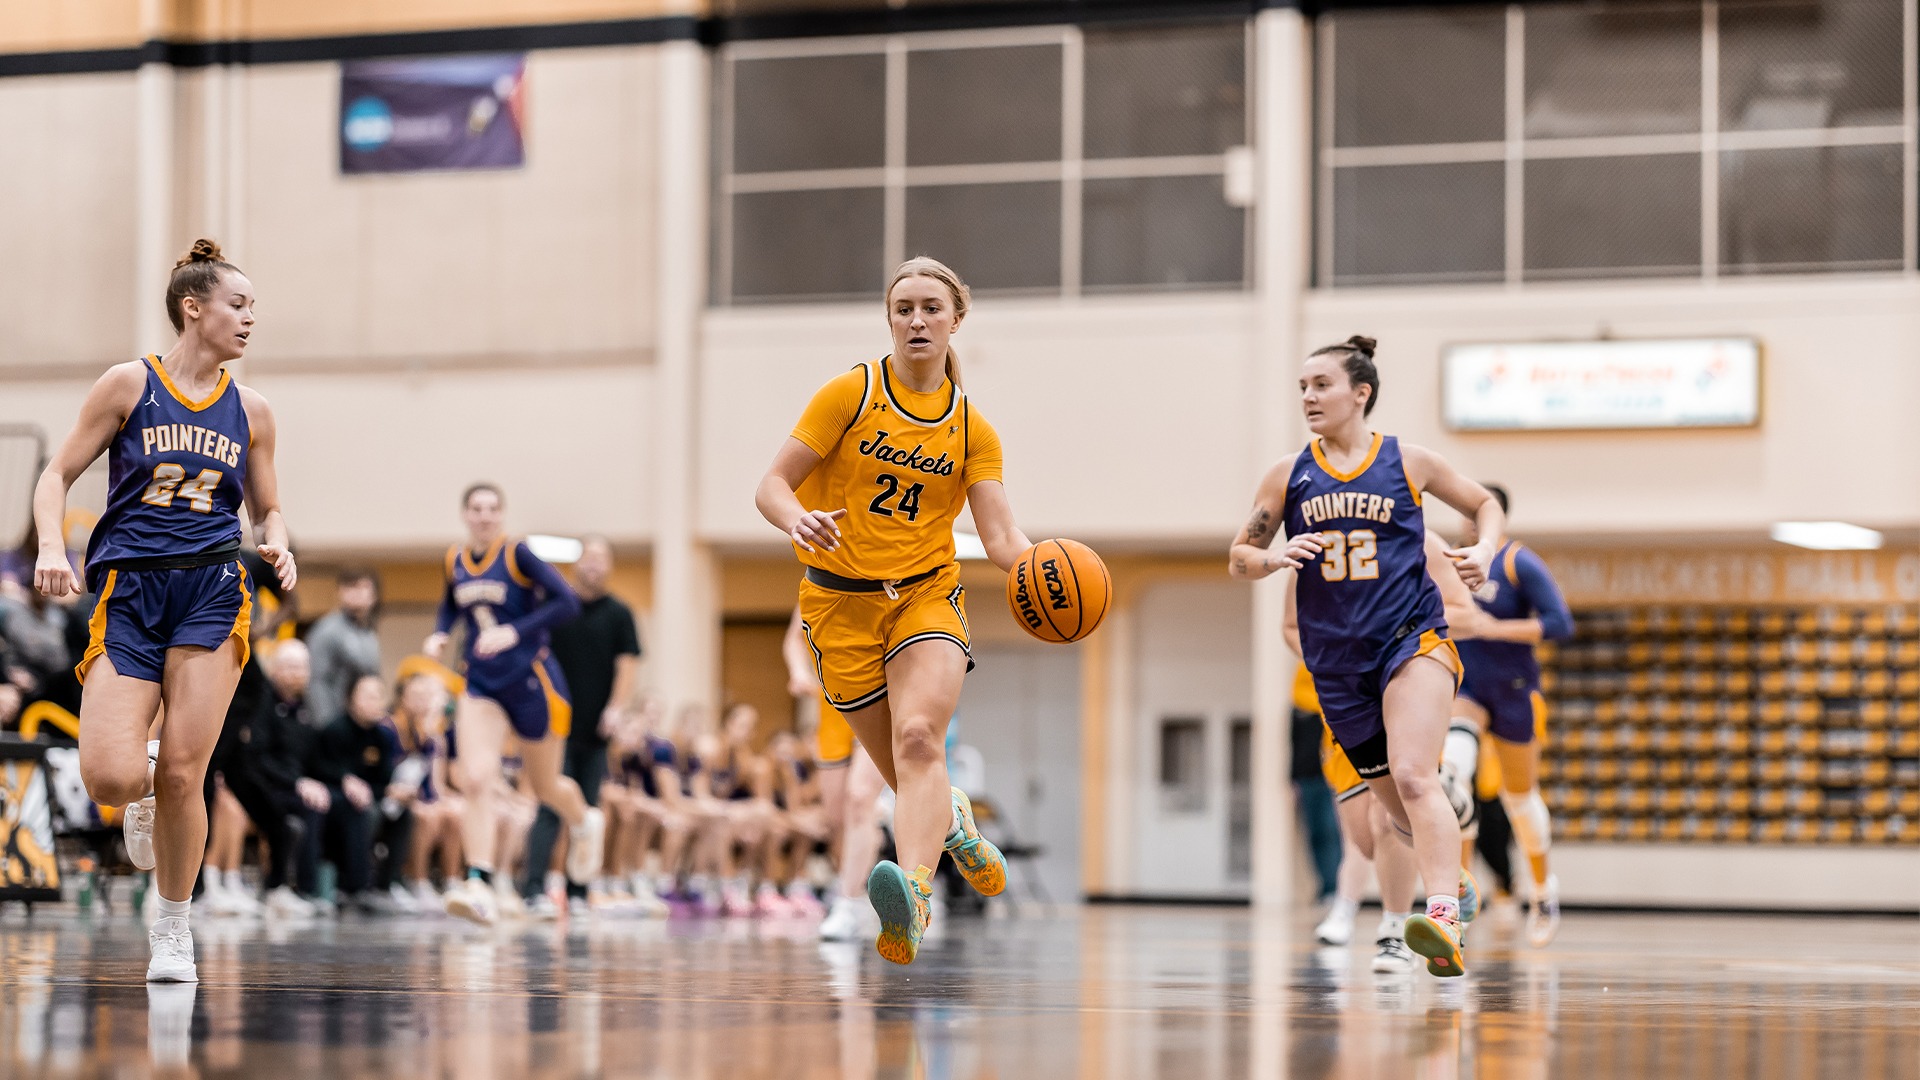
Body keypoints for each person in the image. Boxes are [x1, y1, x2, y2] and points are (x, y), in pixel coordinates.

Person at [32, 239, 296, 982]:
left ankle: (174, 927)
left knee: (188, 772)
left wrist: (278, 543)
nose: (249, 321)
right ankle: (141, 777)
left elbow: (270, 509)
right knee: (112, 781)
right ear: (194, 308)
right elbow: (55, 475)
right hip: (131, 591)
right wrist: (54, 546)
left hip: (212, 589)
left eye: (252, 309)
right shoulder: (128, 385)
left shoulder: (254, 411)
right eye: (237, 306)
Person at [754, 256, 1022, 965]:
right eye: (903, 307)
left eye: (931, 307)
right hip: (838, 605)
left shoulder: (973, 430)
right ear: (890, 318)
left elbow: (1000, 539)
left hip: (925, 594)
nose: (916, 319)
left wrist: (1044, 571)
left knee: (918, 742)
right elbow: (772, 486)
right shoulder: (849, 393)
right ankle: (955, 821)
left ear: (955, 319)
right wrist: (795, 520)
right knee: (911, 775)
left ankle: (914, 895)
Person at [1229, 334, 1503, 979]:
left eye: (1320, 385)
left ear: (1361, 393)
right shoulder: (1286, 474)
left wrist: (1485, 550)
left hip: (1411, 641)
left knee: (1414, 776)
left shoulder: (1409, 461)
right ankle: (1457, 882)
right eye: (1302, 387)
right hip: (1336, 661)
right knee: (1393, 809)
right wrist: (1271, 559)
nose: (1308, 397)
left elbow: (1483, 505)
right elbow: (1239, 555)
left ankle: (1440, 918)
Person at [1301, 531, 1488, 973]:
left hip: (1407, 674)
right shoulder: (1315, 550)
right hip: (1343, 688)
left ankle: (1397, 932)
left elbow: (1467, 616)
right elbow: (1292, 626)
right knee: (1365, 839)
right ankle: (1451, 868)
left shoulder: (1421, 544)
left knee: (1395, 810)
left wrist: (1398, 624)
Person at [425, 483, 603, 926]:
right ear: (465, 514)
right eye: (476, 508)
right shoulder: (455, 559)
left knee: (545, 788)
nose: (484, 516)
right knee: (475, 778)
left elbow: (567, 603)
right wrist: (441, 632)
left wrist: (515, 632)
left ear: (501, 515)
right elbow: (451, 604)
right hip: (482, 681)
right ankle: (478, 882)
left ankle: (584, 821)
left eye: (492, 509)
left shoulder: (518, 554)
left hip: (532, 679)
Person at [1452, 484, 1574, 947]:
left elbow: (1560, 623)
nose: (1468, 520)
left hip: (1515, 691)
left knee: (1519, 800)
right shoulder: (1449, 563)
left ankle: (1542, 891)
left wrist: (1496, 628)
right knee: (1451, 777)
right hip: (1466, 687)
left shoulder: (1518, 562)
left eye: (1477, 512)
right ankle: (1456, 898)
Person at [517, 537, 641, 915]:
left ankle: (578, 890)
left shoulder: (619, 613)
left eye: (603, 560)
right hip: (554, 725)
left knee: (588, 810)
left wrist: (616, 708)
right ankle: (534, 888)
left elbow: (628, 663)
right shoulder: (555, 608)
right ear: (576, 564)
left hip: (595, 728)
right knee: (550, 803)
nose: (595, 567)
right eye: (589, 559)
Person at [784, 609, 890, 942]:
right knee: (836, 817)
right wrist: (799, 671)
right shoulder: (817, 577)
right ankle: (855, 886)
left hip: (877, 699)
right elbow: (793, 640)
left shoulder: (883, 572)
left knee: (860, 799)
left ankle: (849, 901)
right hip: (831, 707)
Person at [299, 673, 402, 914]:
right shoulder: (334, 730)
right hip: (333, 795)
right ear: (351, 699)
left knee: (403, 814)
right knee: (355, 808)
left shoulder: (383, 736)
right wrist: (345, 780)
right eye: (367, 696)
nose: (374, 702)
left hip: (371, 797)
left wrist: (382, 791)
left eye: (378, 696)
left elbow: (383, 779)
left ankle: (388, 885)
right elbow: (318, 767)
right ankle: (355, 887)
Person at [389, 672, 463, 908]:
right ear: (403, 698)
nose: (423, 702)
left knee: (455, 813)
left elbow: (437, 784)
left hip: (425, 795)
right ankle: (417, 880)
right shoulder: (391, 728)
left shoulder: (433, 736)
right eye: (417, 696)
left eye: (427, 696)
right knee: (428, 816)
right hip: (397, 795)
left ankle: (452, 881)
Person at [305, 568, 382, 730]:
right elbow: (317, 681)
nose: (357, 593)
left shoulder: (368, 633)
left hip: (361, 727)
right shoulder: (327, 630)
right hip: (333, 725)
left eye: (363, 587)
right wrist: (326, 726)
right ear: (340, 592)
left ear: (374, 595)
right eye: (351, 587)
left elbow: (372, 678)